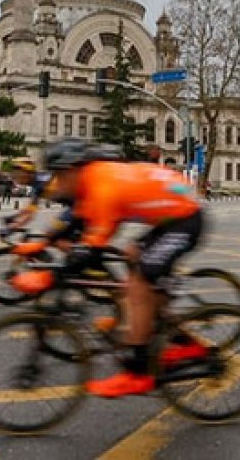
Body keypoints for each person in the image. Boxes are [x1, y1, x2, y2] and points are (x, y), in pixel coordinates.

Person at [22, 139, 206, 398]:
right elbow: (74, 222)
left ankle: (138, 373)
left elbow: (90, 250)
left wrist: (49, 276)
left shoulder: (103, 186)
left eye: (60, 175)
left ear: (75, 169)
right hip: (170, 217)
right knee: (133, 257)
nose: (58, 183)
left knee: (141, 283)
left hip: (185, 218)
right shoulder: (93, 179)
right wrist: (40, 244)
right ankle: (176, 337)